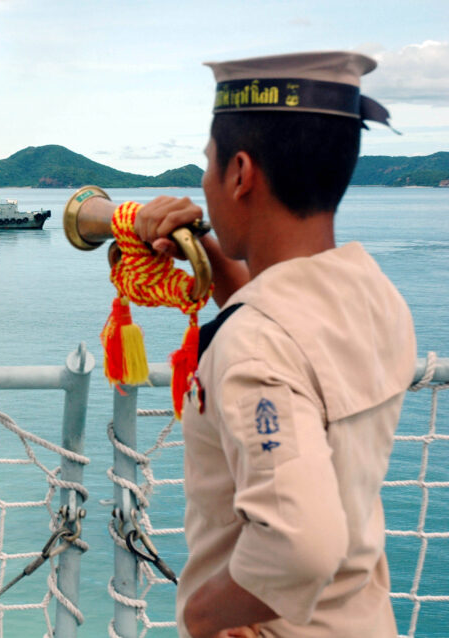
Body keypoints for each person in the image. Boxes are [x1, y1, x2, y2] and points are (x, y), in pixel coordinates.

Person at [132, 52, 417, 637]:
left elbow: (302, 546)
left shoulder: (256, 346)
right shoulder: (372, 293)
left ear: (240, 173)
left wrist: (201, 614)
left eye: (208, 166)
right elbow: (284, 320)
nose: (205, 185)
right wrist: (204, 248)